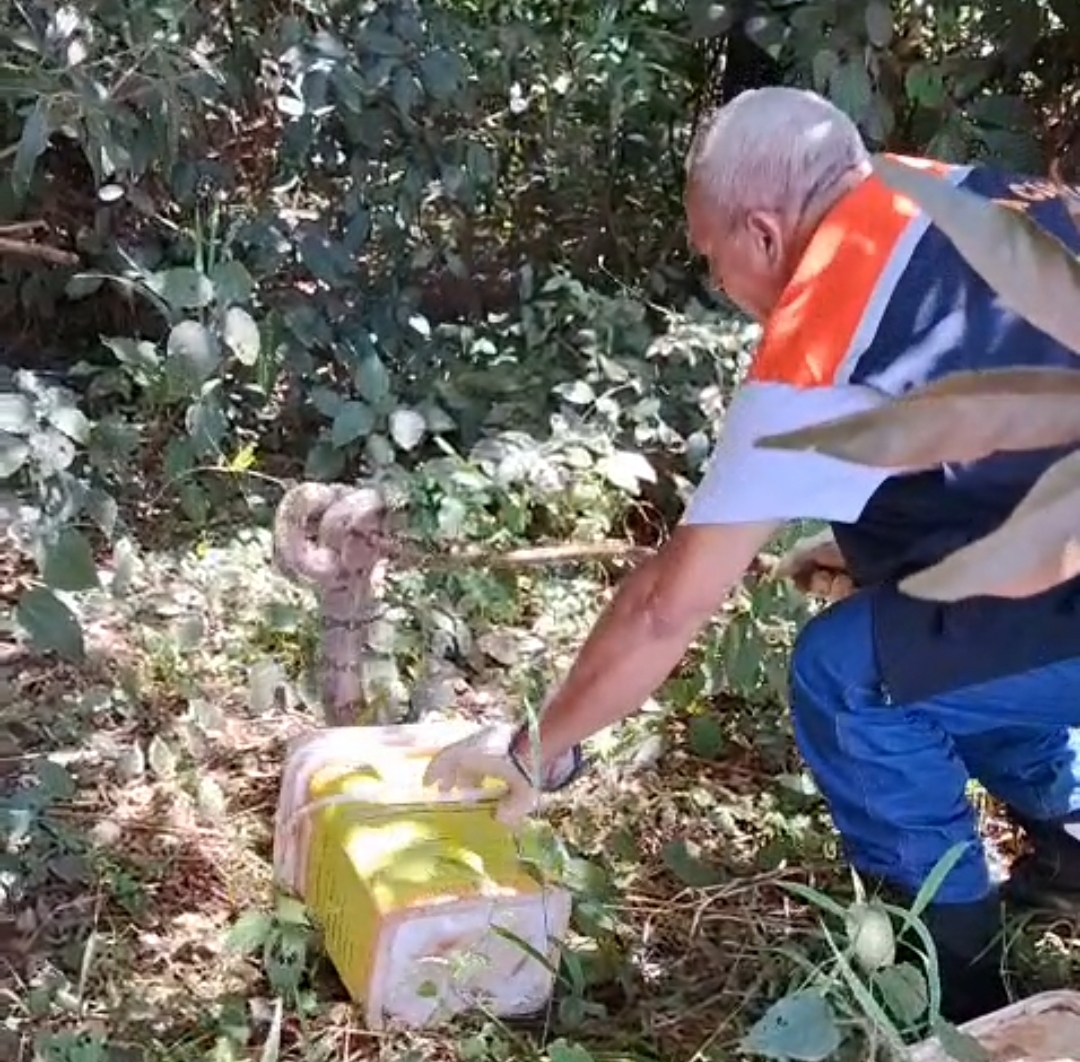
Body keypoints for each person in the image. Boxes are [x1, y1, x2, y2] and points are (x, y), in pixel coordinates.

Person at [424, 86, 1080, 1025]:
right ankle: (1069, 844)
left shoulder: (823, 332)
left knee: (851, 675)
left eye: (711, 257)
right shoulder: (961, 194)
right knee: (933, 632)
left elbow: (666, 606)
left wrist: (541, 749)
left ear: (764, 234)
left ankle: (958, 988)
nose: (721, 283)